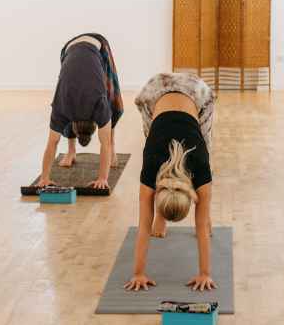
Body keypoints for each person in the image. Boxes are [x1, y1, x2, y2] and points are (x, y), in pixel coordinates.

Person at [124, 73, 216, 292]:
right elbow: (145, 226)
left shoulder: (200, 165)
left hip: (193, 97)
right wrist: (137, 273)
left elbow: (200, 227)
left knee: (207, 145)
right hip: (158, 95)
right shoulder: (151, 167)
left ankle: (206, 209)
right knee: (151, 135)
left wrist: (205, 273)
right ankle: (164, 220)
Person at [36, 34, 123, 190]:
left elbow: (52, 143)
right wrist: (102, 178)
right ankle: (71, 152)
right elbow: (104, 144)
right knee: (111, 102)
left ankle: (72, 151)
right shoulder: (63, 108)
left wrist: (45, 177)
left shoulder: (65, 108)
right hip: (76, 47)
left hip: (84, 46)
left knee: (111, 100)